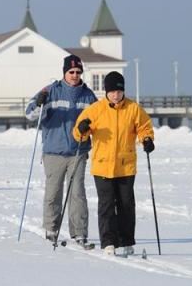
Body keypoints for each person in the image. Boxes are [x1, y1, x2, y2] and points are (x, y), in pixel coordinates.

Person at [73, 71, 155, 257]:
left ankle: (126, 241)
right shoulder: (95, 109)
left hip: (126, 166)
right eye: (112, 91)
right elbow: (79, 133)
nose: (116, 95)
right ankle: (108, 242)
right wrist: (82, 129)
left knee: (126, 205)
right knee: (106, 205)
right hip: (102, 166)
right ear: (106, 91)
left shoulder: (133, 108)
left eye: (119, 91)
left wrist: (147, 139)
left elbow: (144, 127)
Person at [25, 54, 98, 248]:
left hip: (78, 152)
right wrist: (39, 103)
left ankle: (80, 233)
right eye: (71, 72)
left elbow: (99, 121)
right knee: (53, 192)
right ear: (64, 72)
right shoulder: (50, 91)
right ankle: (51, 229)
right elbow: (30, 115)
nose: (75, 75)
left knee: (78, 193)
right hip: (54, 152)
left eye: (78, 72)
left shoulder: (88, 95)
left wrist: (88, 129)